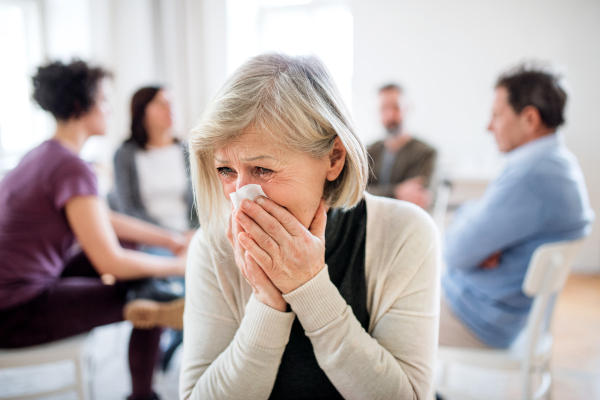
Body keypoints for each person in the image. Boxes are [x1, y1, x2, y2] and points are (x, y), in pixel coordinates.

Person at [180, 53, 440, 400]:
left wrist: (309, 288)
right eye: (225, 171)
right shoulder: (212, 246)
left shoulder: (405, 234)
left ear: (333, 158)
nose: (241, 197)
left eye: (262, 170)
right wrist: (267, 302)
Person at [0, 60, 188, 400]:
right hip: (14, 312)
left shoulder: (43, 155)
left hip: (20, 289)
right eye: (104, 100)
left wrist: (172, 240)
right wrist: (178, 264)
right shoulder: (72, 166)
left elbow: (102, 219)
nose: (110, 109)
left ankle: (154, 290)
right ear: (79, 106)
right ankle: (142, 395)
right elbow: (110, 263)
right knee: (150, 302)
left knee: (137, 261)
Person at [440, 64, 594, 349]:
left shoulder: (529, 177)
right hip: (507, 315)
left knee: (380, 314)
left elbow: (454, 253)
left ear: (530, 119)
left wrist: (472, 229)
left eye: (497, 115)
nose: (489, 126)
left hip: (477, 319)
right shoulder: (559, 164)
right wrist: (478, 227)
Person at [112, 86, 197, 234]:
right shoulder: (124, 155)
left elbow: (201, 204)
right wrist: (171, 235)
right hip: (150, 237)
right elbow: (129, 209)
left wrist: (192, 233)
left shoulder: (189, 151)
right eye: (161, 104)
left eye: (171, 103)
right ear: (142, 113)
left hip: (190, 233)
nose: (170, 109)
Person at [366, 84, 437, 209]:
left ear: (408, 108)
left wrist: (375, 193)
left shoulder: (426, 153)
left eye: (396, 107)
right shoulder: (368, 151)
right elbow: (356, 194)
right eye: (384, 108)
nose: (390, 115)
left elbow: (417, 199)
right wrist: (396, 192)